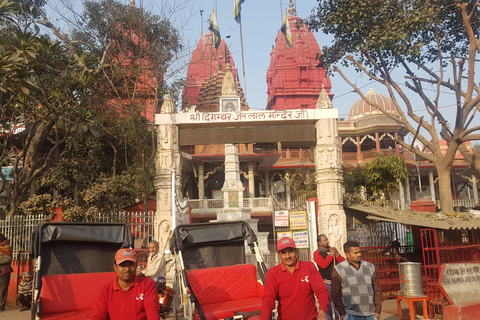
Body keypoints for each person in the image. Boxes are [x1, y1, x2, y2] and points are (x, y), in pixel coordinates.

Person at [261, 237, 329, 320]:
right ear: (279, 254)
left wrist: (322, 312)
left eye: (290, 251)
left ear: (296, 251)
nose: (288, 256)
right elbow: (268, 298)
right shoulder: (273, 273)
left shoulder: (309, 267)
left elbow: (321, 291)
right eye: (283, 253)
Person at [91, 248, 161, 320]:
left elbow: (153, 313)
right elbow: (98, 316)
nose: (127, 269)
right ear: (115, 267)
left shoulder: (147, 284)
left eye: (131, 264)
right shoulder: (106, 291)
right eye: (123, 265)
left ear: (136, 265)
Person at [331, 241, 382, 320]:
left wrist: (377, 311)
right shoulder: (338, 269)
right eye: (355, 253)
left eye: (359, 252)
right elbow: (335, 294)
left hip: (370, 314)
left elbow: (377, 290)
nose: (359, 254)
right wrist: (342, 313)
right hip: (350, 314)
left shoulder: (370, 267)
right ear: (347, 254)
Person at [314, 234, 345, 320]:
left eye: (327, 239)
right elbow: (323, 265)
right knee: (327, 305)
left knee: (338, 304)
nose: (327, 241)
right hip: (326, 282)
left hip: (337, 282)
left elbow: (343, 262)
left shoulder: (332, 250)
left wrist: (336, 254)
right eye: (324, 240)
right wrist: (331, 254)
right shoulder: (317, 253)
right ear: (319, 242)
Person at [0, 233, 13, 312]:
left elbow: (8, 259)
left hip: (4, 270)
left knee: (3, 289)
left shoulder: (7, 248)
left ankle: (1, 306)